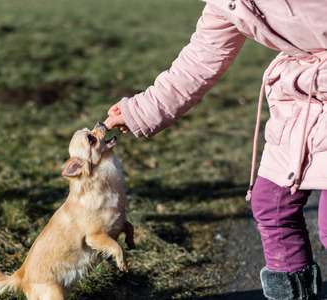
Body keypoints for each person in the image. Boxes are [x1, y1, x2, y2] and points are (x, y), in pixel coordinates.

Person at [103, 1, 326, 299]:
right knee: (271, 204)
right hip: (302, 101)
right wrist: (139, 111)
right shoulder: (228, 4)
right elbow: (197, 64)